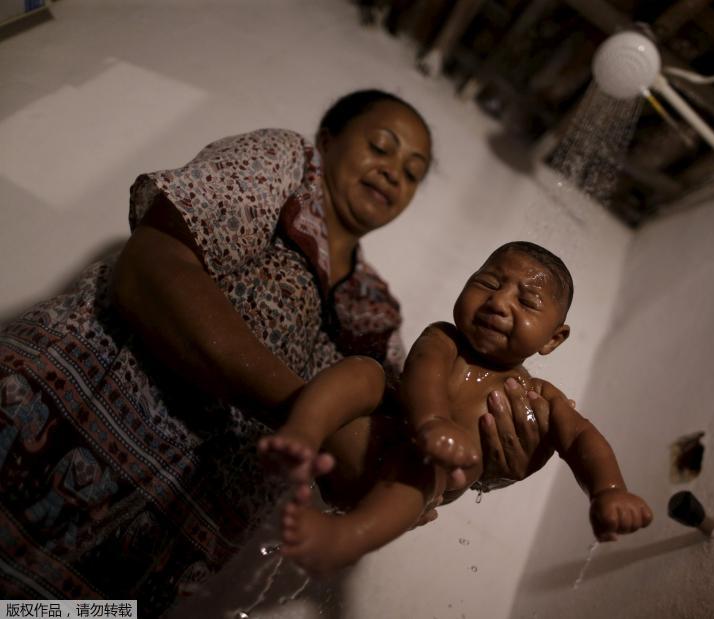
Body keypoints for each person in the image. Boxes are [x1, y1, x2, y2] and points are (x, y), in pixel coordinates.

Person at [0, 90, 543, 613]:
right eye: (381, 147)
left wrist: (481, 458)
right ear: (328, 141)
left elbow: (374, 465)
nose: (392, 173)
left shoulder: (378, 315)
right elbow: (151, 268)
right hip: (45, 432)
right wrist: (306, 412)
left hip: (147, 552)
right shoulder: (286, 166)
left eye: (411, 173)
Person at [258, 241, 653, 575]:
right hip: (365, 436)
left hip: (405, 488)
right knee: (366, 371)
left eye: (527, 301)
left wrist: (608, 490)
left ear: (553, 339)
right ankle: (299, 436)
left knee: (425, 461)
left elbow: (581, 435)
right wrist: (432, 422)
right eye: (487, 284)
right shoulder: (444, 337)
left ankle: (346, 538)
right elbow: (425, 370)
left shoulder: (539, 395)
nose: (498, 302)